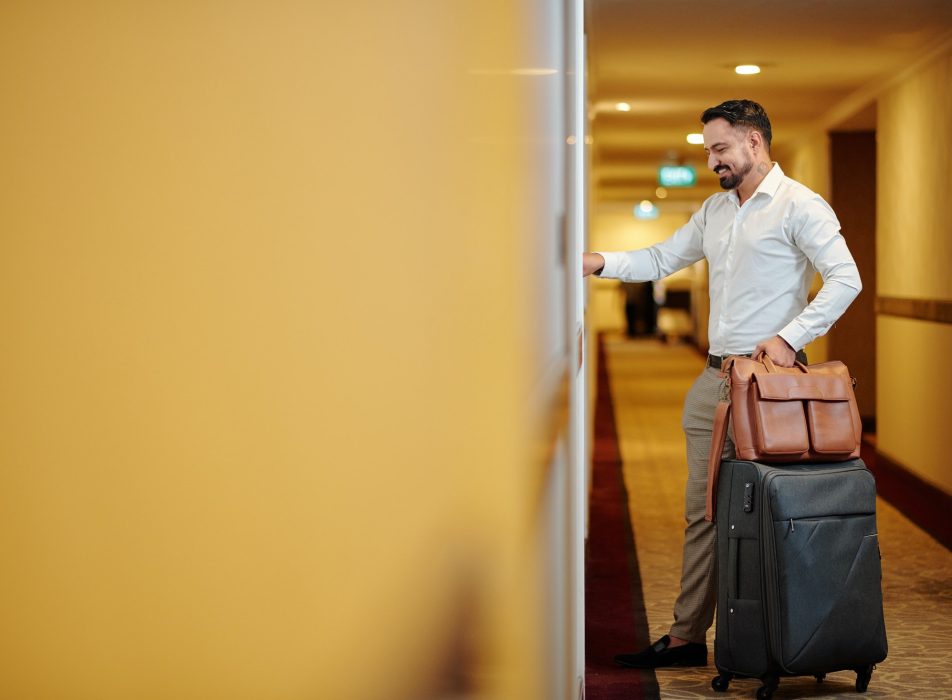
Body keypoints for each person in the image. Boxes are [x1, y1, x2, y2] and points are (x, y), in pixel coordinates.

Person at [583, 99, 861, 668]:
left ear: (755, 142)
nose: (713, 161)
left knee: (770, 514)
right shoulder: (715, 211)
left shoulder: (798, 206)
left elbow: (845, 278)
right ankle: (688, 635)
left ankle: (776, 637)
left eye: (720, 149)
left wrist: (790, 336)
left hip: (770, 387)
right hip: (714, 380)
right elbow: (662, 257)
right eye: (709, 150)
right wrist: (596, 261)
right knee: (704, 511)